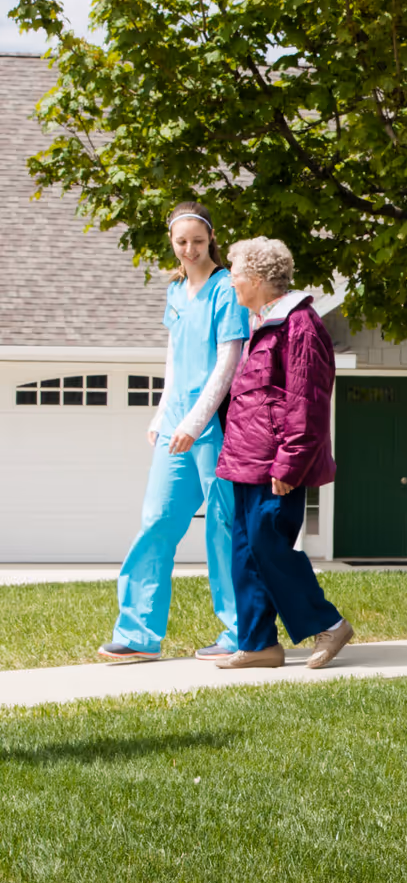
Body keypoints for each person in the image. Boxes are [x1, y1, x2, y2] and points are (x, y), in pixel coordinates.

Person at [99, 202, 248, 663]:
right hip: (176, 426)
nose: (189, 250)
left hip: (213, 426)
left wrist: (193, 422)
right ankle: (139, 634)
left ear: (211, 239)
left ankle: (241, 633)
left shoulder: (226, 289)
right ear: (172, 242)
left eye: (197, 242)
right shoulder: (176, 291)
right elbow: (173, 357)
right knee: (157, 520)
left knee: (224, 528)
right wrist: (162, 413)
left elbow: (228, 362)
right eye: (181, 242)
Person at [215, 237, 354, 670]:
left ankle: (329, 623)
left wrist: (291, 461)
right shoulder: (263, 323)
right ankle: (258, 643)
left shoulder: (300, 326)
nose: (231, 281)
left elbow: (307, 401)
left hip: (276, 463)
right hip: (245, 460)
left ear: (256, 278)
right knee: (245, 549)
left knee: (267, 544)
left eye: (235, 273)